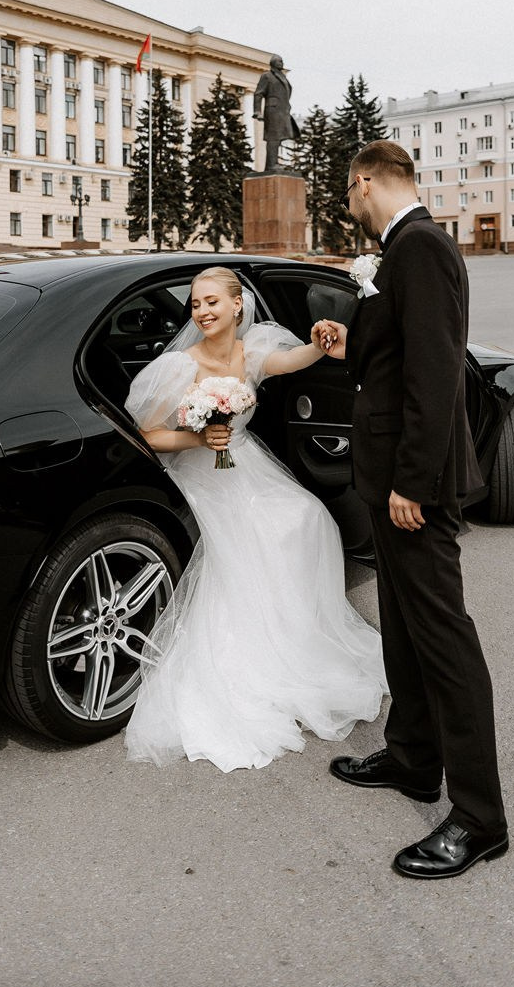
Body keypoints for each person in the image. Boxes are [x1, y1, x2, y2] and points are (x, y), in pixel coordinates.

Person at [315, 140, 508, 879]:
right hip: (387, 475)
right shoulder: (399, 252)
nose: (349, 206)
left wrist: (415, 483)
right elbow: (393, 357)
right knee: (401, 624)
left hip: (410, 485)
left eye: (349, 193)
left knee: (444, 640)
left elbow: (436, 371)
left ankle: (480, 818)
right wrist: (348, 339)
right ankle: (412, 758)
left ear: (365, 182)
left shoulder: (421, 247)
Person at [123, 266, 387, 772]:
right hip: (200, 471)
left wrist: (321, 342)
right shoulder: (179, 366)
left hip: (244, 461)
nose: (202, 312)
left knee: (307, 517)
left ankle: (299, 640)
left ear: (237, 306)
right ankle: (252, 662)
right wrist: (198, 439)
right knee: (250, 539)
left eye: (212, 302)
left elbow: (291, 361)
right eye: (196, 304)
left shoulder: (254, 349)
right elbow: (149, 434)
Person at [253, 55, 300, 171]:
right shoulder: (267, 76)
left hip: (283, 112)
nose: (282, 63)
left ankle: (273, 163)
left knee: (278, 138)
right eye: (279, 61)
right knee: (273, 138)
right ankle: (271, 165)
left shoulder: (283, 77)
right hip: (272, 111)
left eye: (282, 61)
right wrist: (257, 111)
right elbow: (258, 93)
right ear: (272, 63)